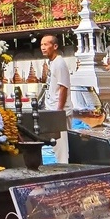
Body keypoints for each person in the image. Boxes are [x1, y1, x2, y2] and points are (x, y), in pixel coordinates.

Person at [40, 34, 73, 163]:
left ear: (55, 46)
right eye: (42, 45)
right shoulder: (52, 63)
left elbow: (63, 88)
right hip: (52, 109)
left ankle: (64, 169)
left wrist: (59, 111)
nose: (43, 47)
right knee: (56, 146)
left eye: (46, 44)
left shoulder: (59, 63)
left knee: (61, 147)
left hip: (59, 111)